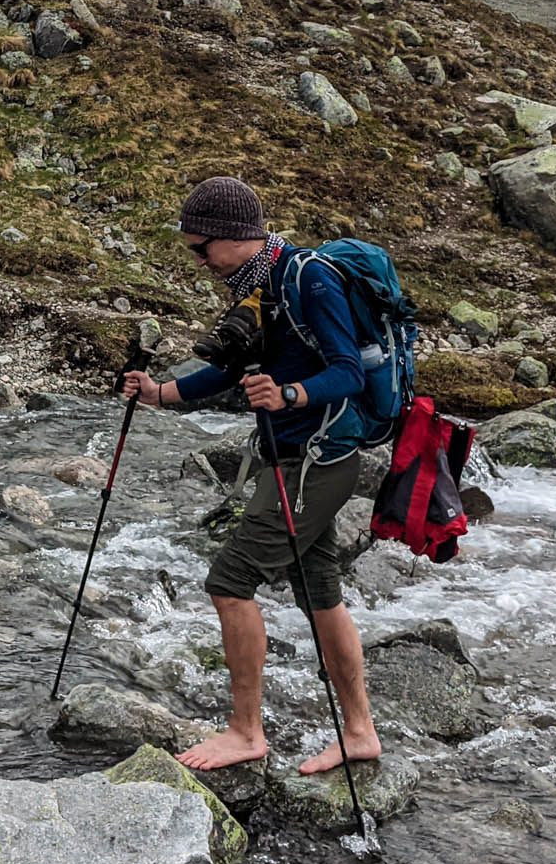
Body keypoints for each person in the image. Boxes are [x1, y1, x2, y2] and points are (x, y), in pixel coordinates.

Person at [120, 176, 382, 777]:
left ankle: (246, 731)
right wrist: (161, 393)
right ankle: (360, 733)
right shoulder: (260, 282)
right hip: (292, 459)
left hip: (318, 461)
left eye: (201, 247)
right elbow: (228, 370)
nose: (198, 261)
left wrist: (289, 392)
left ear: (236, 236)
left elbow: (349, 373)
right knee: (320, 594)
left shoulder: (308, 279)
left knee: (230, 581)